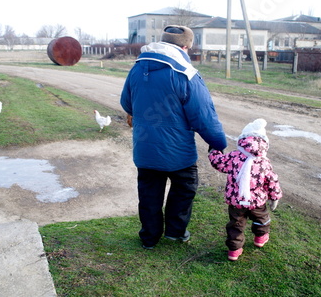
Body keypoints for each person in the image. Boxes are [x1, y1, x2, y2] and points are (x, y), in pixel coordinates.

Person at [120, 25, 227, 250]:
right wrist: (218, 142)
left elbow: (127, 103)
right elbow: (204, 116)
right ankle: (176, 233)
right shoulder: (186, 73)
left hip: (145, 149)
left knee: (149, 193)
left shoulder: (138, 68)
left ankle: (149, 238)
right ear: (185, 46)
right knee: (184, 188)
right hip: (179, 153)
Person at [208, 118, 282, 261]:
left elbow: (219, 163)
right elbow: (272, 180)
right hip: (257, 201)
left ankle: (234, 251)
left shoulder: (234, 156)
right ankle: (260, 238)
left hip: (236, 200)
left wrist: (214, 151)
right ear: (264, 144)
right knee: (261, 218)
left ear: (243, 140)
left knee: (236, 224)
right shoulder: (264, 162)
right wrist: (274, 197)